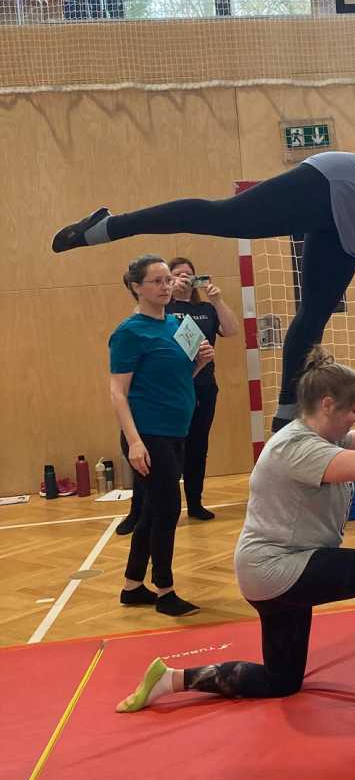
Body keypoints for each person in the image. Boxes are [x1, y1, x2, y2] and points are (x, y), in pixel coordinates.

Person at [53, 122, 355, 429]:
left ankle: (285, 416)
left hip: (348, 233)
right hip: (332, 186)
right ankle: (109, 226)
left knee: (313, 316)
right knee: (224, 217)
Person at [116, 347, 355, 716]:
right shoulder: (298, 446)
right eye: (353, 410)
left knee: (281, 680)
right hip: (279, 568)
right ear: (327, 405)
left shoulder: (319, 435)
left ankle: (171, 679)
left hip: (272, 571)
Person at [109, 255, 214, 617]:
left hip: (176, 430)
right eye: (157, 281)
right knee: (168, 509)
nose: (166, 286)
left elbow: (184, 375)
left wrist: (200, 362)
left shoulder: (179, 324)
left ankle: (132, 586)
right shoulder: (129, 332)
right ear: (136, 287)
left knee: (154, 509)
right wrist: (134, 442)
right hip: (148, 434)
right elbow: (118, 392)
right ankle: (165, 590)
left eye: (168, 280)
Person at [115, 256, 240, 535]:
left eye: (188, 275)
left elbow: (226, 334)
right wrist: (171, 296)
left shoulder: (201, 310)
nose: (180, 281)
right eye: (172, 277)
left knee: (196, 447)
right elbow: (120, 385)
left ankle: (194, 503)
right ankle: (138, 512)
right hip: (163, 398)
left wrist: (217, 301)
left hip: (198, 387)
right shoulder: (162, 314)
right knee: (156, 460)